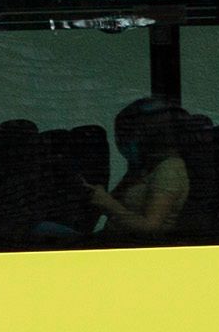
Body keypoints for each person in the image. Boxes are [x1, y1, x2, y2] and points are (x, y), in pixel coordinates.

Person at [82, 98, 193, 240]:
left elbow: (151, 227)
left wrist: (108, 204)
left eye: (127, 136)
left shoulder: (169, 169)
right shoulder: (143, 167)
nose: (121, 142)